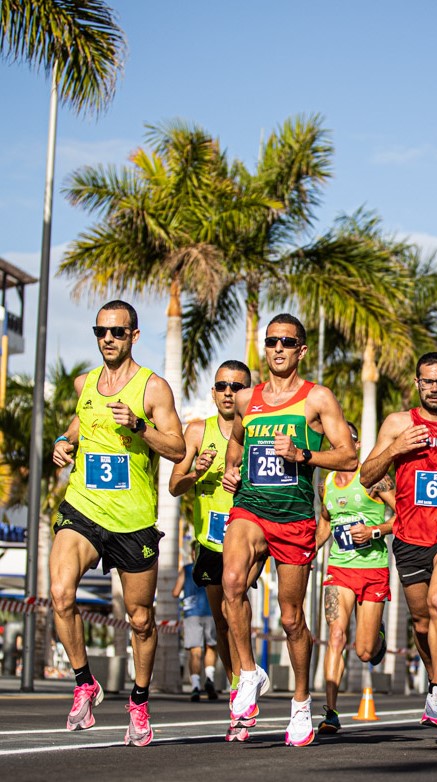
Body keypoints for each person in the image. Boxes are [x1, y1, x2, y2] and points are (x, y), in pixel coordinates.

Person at [50, 300, 185, 747]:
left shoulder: (153, 389)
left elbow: (178, 448)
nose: (108, 339)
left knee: (141, 620)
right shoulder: (85, 382)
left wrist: (141, 427)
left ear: (134, 336)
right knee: (60, 592)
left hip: (132, 521)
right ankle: (84, 682)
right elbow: (80, 420)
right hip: (84, 508)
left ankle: (139, 702)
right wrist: (63, 442)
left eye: (117, 332)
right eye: (101, 332)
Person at [222, 313, 358, 747]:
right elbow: (238, 441)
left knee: (291, 616)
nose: (278, 348)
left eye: (287, 342)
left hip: (295, 517)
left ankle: (301, 700)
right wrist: (230, 470)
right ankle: (249, 672)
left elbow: (349, 457)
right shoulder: (248, 398)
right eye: (272, 341)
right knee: (231, 583)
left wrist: (303, 455)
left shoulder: (316, 398)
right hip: (251, 508)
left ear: (301, 349)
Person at [360, 352, 437, 728]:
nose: (434, 388)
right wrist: (397, 448)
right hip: (410, 536)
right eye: (427, 381)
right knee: (419, 622)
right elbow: (367, 475)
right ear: (417, 384)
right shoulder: (398, 423)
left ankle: (435, 691)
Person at [169, 359, 260, 742]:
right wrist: (196, 471)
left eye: (237, 386)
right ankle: (239, 686)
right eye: (222, 386)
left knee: (231, 603)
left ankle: (248, 679)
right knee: (221, 621)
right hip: (210, 539)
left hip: (250, 533)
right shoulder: (197, 431)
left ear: (247, 392)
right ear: (212, 392)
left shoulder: (257, 431)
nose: (228, 392)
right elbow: (175, 485)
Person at [316, 422, 396, 736]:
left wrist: (374, 531)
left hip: (374, 569)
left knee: (365, 652)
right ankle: (330, 712)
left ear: (356, 444)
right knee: (336, 636)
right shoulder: (328, 483)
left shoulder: (373, 478)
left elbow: (403, 513)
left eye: (344, 440)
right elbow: (325, 522)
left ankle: (377, 632)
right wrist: (308, 552)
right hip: (340, 568)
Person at [172, 541, 219, 702]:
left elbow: (175, 592)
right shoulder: (213, 566)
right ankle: (210, 679)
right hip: (211, 611)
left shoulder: (186, 570)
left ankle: (195, 686)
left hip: (192, 614)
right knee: (211, 647)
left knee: (195, 652)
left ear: (192, 553)